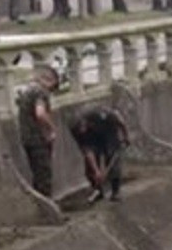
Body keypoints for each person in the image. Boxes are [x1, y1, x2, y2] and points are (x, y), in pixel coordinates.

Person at [70, 106, 130, 202]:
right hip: (92, 139)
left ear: (85, 122)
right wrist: (96, 171)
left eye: (82, 128)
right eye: (80, 130)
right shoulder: (76, 130)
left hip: (108, 132)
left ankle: (115, 192)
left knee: (112, 160)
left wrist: (126, 136)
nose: (82, 131)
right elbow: (87, 151)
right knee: (90, 169)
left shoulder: (99, 114)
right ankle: (98, 190)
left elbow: (119, 119)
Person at [17, 66, 60, 197]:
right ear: (49, 80)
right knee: (44, 176)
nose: (51, 92)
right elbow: (40, 113)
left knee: (37, 175)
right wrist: (52, 129)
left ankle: (41, 208)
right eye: (52, 87)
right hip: (38, 140)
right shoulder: (40, 92)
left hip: (26, 139)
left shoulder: (26, 91)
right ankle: (48, 211)